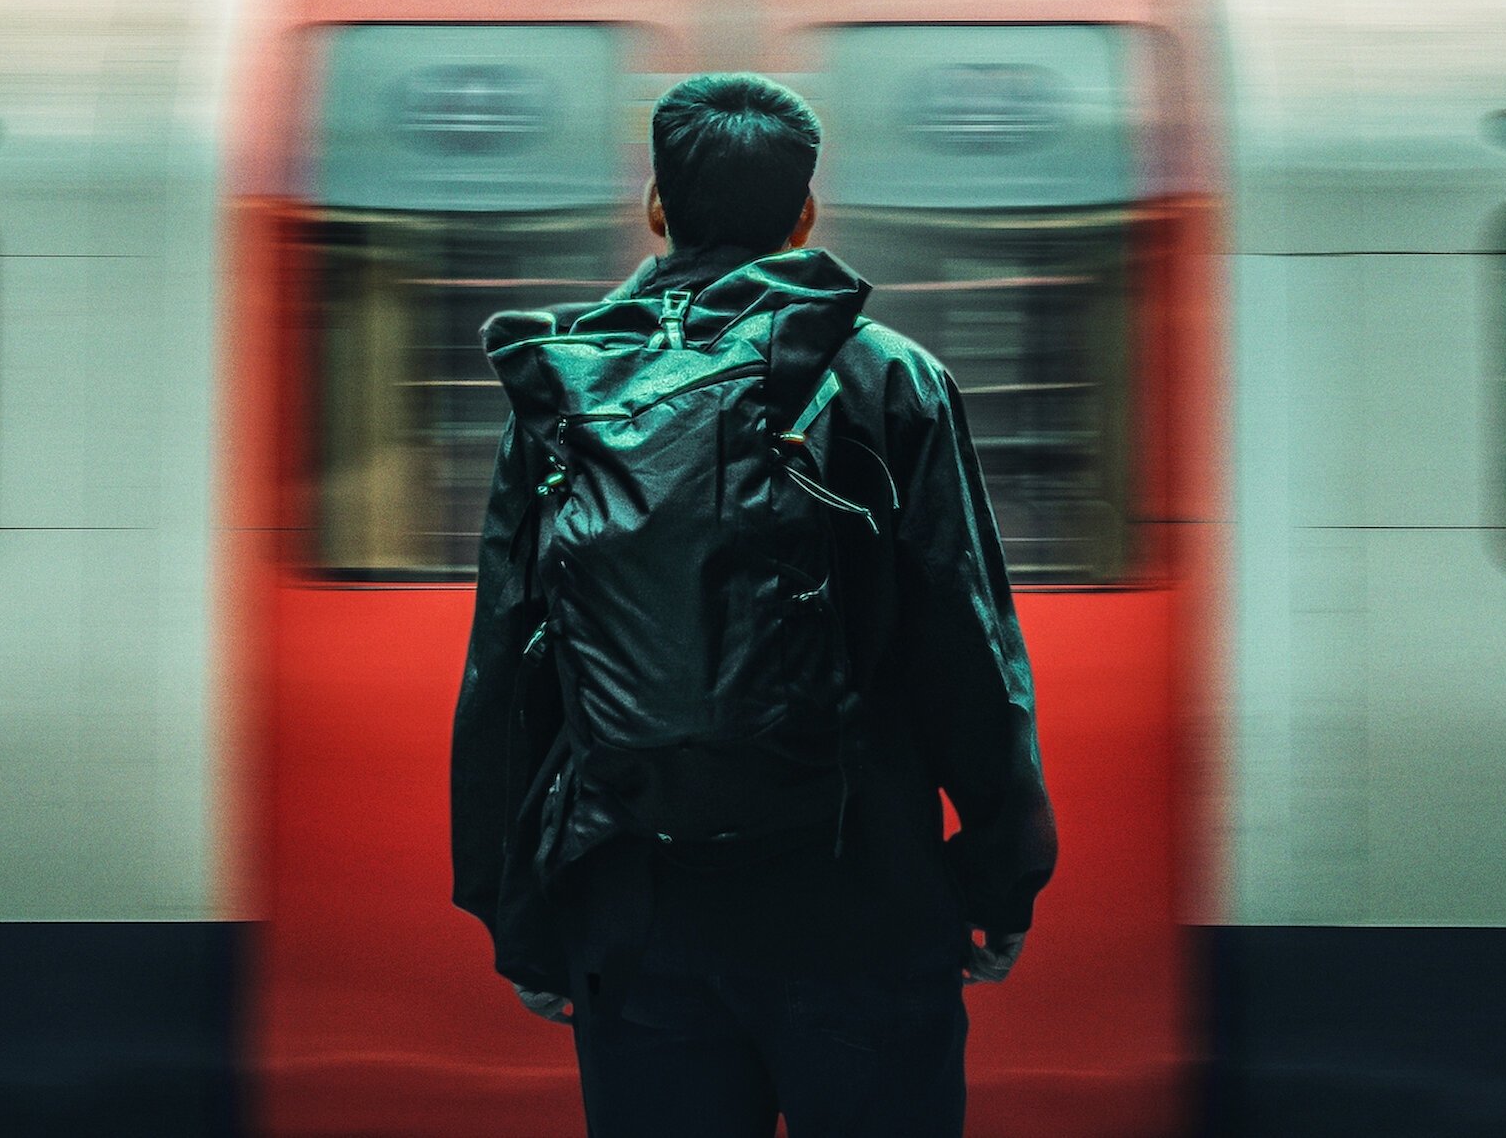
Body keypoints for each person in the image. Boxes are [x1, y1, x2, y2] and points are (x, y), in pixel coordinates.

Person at [450, 71, 1056, 1138]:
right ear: (804, 214)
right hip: (860, 902)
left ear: (656, 205)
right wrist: (1000, 878)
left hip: (636, 911)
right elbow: (967, 647)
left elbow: (508, 663)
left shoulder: (571, 390)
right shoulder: (888, 378)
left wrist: (518, 913)